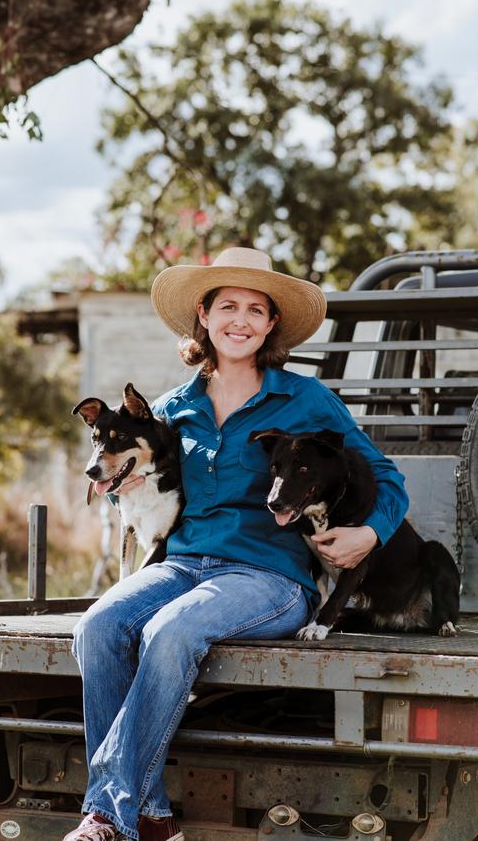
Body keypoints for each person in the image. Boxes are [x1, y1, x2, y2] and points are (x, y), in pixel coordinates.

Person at [64, 247, 409, 841]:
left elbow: (387, 477)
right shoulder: (173, 409)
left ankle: (106, 817)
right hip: (182, 564)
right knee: (97, 627)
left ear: (271, 324)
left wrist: (369, 532)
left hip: (268, 579)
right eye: (228, 306)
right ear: (203, 314)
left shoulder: (307, 401)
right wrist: (118, 485)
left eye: (256, 309)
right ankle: (149, 817)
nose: (240, 320)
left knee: (169, 632)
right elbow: (143, 489)